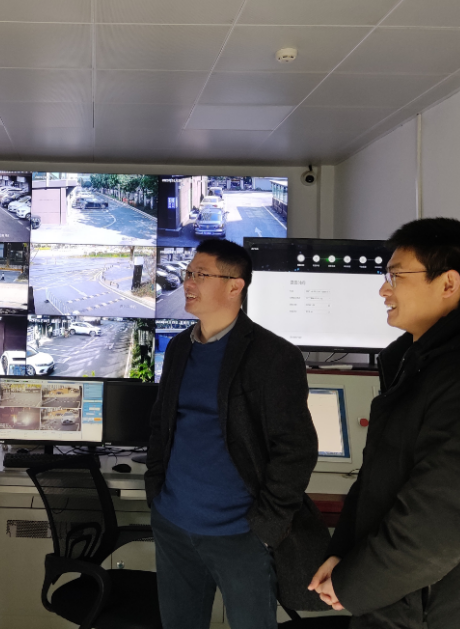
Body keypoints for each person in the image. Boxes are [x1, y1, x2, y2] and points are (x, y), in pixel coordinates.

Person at [309, 218, 460, 628]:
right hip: (399, 602)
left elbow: (439, 528)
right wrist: (343, 555)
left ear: (448, 283)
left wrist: (352, 584)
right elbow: (375, 482)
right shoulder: (418, 368)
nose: (384, 290)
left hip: (446, 613)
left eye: (396, 276)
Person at [146, 238, 327, 629]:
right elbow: (162, 424)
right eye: (188, 273)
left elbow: (296, 449)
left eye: (200, 274)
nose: (187, 283)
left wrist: (265, 527)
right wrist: (156, 493)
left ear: (235, 286)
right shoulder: (179, 348)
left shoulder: (274, 356)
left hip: (240, 533)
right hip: (174, 523)